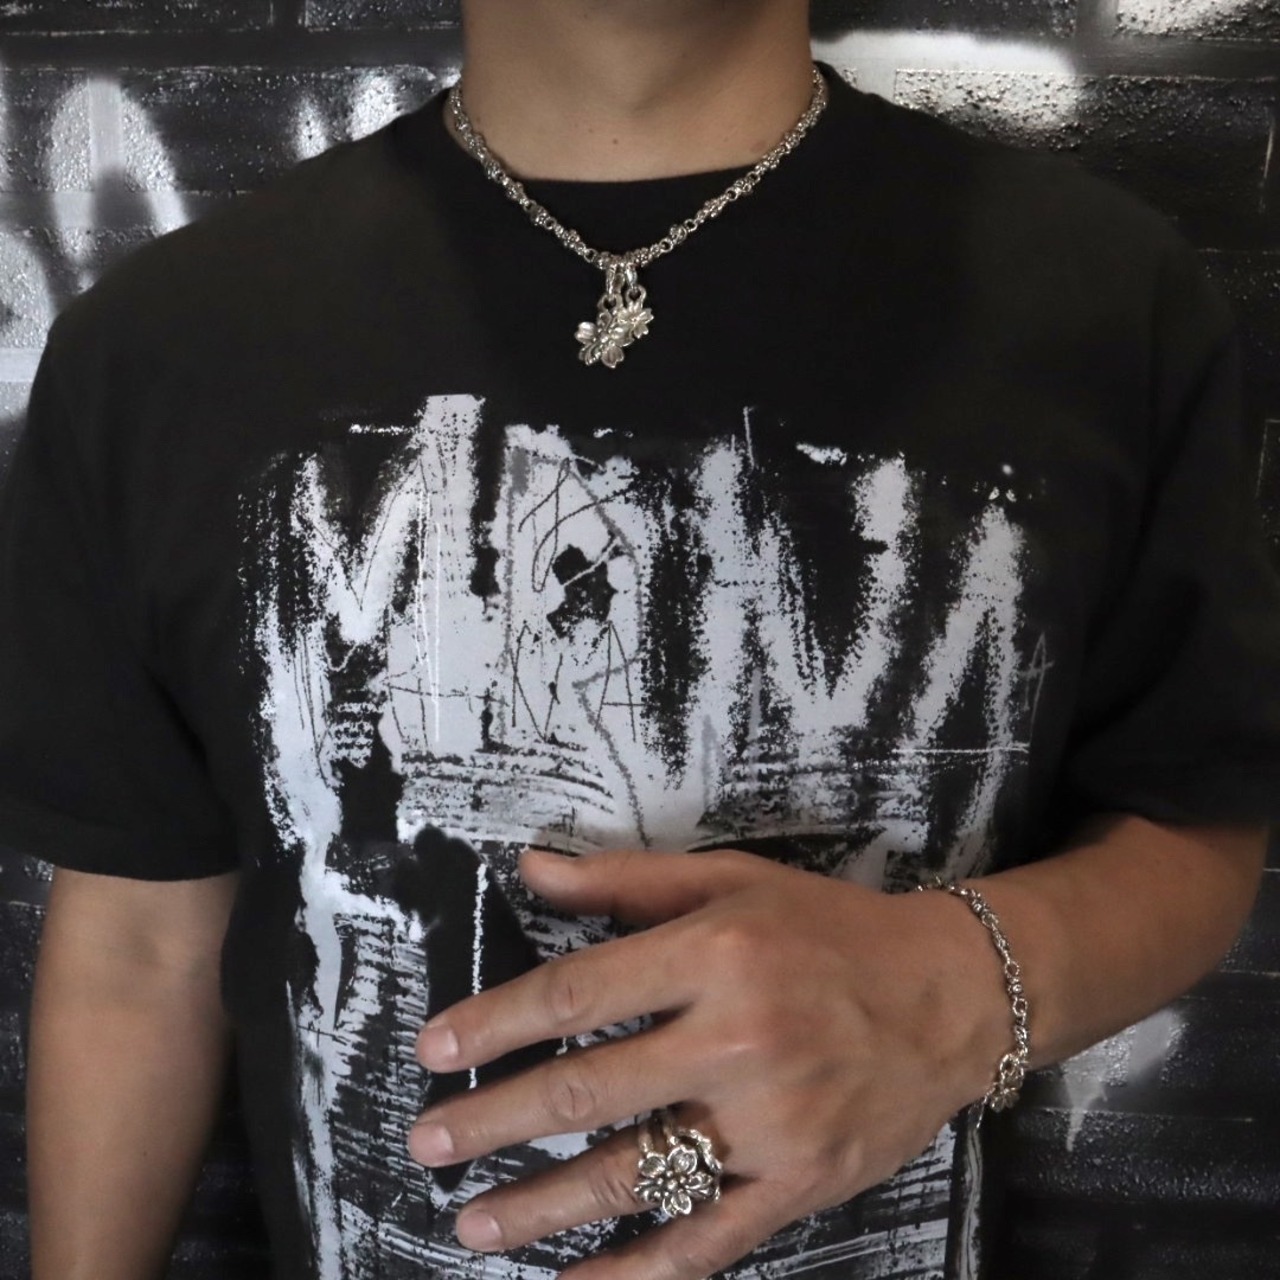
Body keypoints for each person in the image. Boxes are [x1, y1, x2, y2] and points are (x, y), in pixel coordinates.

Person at [6, 2, 1279, 1277]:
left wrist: (962, 984)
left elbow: (1191, 816)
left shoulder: (1101, 299)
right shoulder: (164, 348)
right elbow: (137, 945)